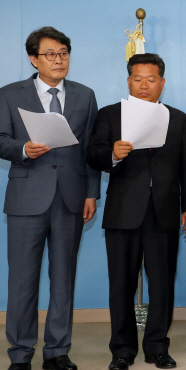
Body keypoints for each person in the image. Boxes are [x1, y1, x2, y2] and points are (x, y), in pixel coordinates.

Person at [87, 53, 186, 370]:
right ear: (128, 82)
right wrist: (112, 152)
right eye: (138, 79)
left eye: (151, 79)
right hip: (124, 211)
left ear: (162, 83)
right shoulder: (110, 115)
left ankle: (157, 348)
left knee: (162, 284)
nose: (144, 85)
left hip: (164, 211)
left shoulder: (178, 119)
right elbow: (92, 155)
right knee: (121, 284)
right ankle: (122, 350)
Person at [0, 26, 100, 370]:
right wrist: (23, 148)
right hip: (27, 199)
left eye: (64, 53)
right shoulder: (10, 94)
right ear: (33, 59)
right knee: (22, 281)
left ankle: (57, 352)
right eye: (51, 54)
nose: (59, 60)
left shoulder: (85, 95)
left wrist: (91, 193)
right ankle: (20, 354)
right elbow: (0, 139)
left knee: (63, 279)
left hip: (71, 199)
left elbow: (90, 149)